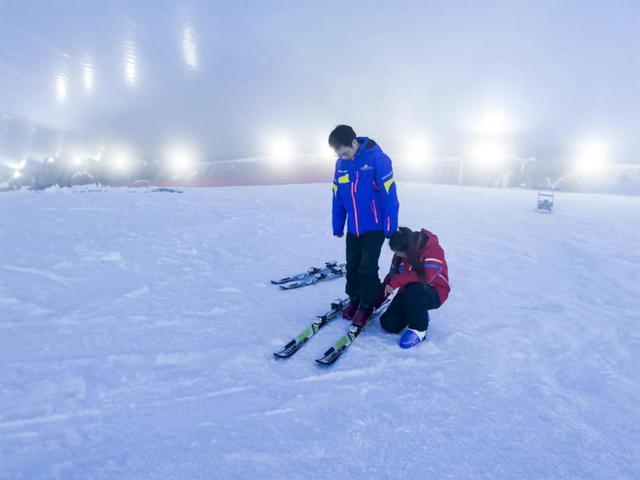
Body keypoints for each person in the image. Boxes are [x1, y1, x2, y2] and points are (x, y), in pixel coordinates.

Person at [329, 125, 399, 327]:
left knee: (367, 267)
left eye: (346, 152)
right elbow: (337, 196)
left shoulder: (378, 159)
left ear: (354, 142)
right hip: (353, 227)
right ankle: (355, 299)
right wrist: (338, 223)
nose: (345, 157)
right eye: (340, 155)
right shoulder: (341, 164)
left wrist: (390, 226)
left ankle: (367, 304)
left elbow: (390, 195)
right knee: (352, 266)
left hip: (374, 227)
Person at [379, 226, 450, 348]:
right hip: (408, 293)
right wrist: (376, 298)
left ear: (408, 249)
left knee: (414, 289)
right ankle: (417, 312)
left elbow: (426, 277)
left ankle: (419, 329)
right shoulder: (401, 254)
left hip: (434, 291)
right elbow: (391, 277)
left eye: (397, 251)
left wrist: (396, 282)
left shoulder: (433, 249)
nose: (396, 254)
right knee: (389, 324)